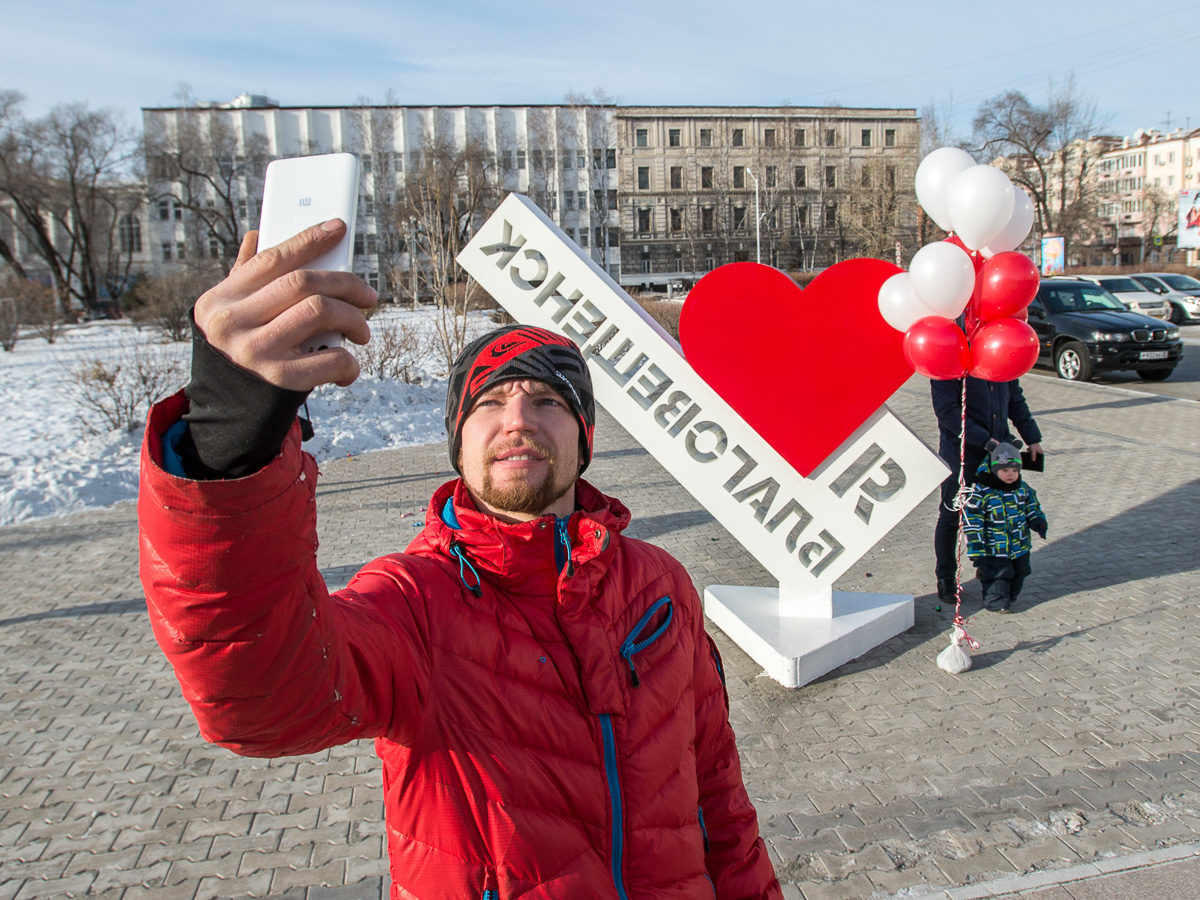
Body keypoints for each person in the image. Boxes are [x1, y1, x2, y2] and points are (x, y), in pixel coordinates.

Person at [137, 220, 782, 900]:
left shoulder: (660, 586)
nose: (518, 420)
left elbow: (719, 799)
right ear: (458, 440)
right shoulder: (413, 599)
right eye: (491, 402)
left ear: (585, 437)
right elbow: (261, 698)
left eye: (548, 402)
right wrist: (229, 443)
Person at [930, 376, 1043, 602]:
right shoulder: (949, 363)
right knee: (952, 516)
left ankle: (990, 568)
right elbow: (948, 412)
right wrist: (985, 441)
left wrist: (1032, 438)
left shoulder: (1001, 357)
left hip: (998, 454)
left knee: (996, 515)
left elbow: (1015, 401)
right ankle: (946, 577)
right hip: (962, 454)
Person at [961, 442, 1047, 613]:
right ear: (994, 469)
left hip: (1019, 545)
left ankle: (1011, 595)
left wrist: (1037, 520)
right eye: (1005, 470)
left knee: (1020, 572)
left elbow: (1032, 506)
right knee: (998, 575)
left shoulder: (1022, 489)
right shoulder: (982, 492)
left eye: (1015, 471)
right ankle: (996, 601)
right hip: (994, 548)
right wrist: (977, 549)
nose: (1010, 475)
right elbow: (973, 522)